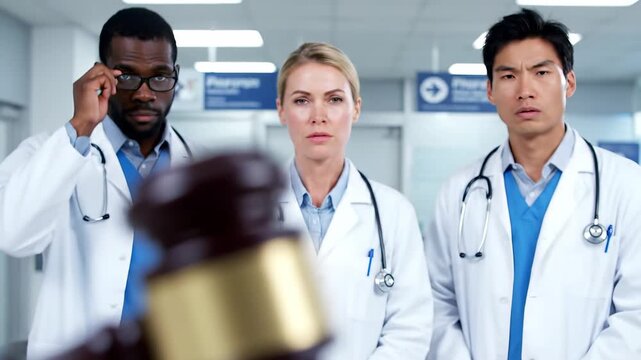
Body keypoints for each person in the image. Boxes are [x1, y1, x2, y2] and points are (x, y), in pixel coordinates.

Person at [425, 8, 641, 360]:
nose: (524, 90)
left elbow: (635, 315)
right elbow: (437, 302)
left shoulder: (627, 184)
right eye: (508, 76)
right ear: (491, 91)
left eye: (541, 72)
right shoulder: (460, 190)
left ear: (568, 83)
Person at [0, 8, 192, 359]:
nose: (146, 94)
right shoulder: (51, 153)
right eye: (128, 77)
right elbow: (12, 235)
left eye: (160, 77)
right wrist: (79, 128)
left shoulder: (196, 168)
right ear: (101, 74)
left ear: (175, 77)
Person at [276, 42, 433, 359]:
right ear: (281, 110)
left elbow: (409, 329)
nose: (318, 116)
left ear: (356, 109)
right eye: (302, 101)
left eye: (334, 99)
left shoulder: (394, 213)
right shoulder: (247, 213)